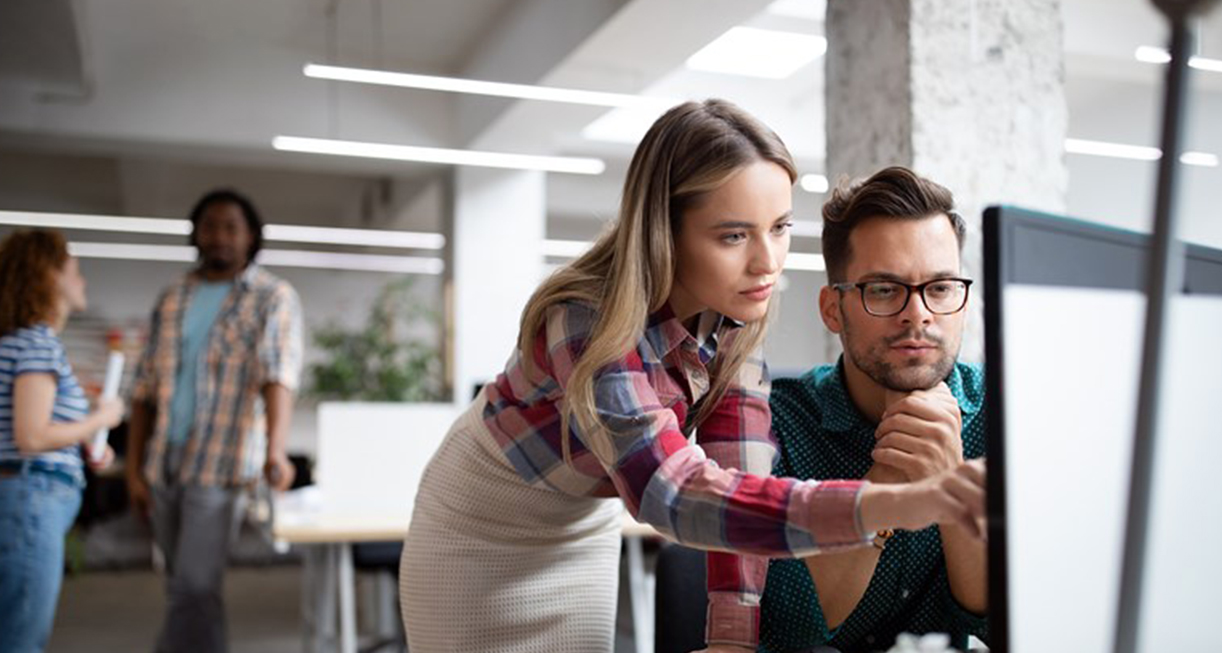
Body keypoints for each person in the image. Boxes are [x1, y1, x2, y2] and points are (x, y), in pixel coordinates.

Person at [398, 100, 987, 653]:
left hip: (581, 522)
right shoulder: (587, 320)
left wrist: (732, 638)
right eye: (734, 235)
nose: (767, 262)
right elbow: (674, 494)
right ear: (666, 230)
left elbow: (738, 478)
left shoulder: (733, 316)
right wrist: (893, 501)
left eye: (779, 228)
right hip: (483, 528)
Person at [754, 167, 988, 653]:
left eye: (941, 288)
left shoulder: (1006, 415)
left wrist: (948, 483)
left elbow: (1014, 627)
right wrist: (884, 488)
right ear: (832, 309)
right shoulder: (776, 424)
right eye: (884, 289)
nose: (918, 314)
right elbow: (789, 633)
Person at [125, 189, 303, 653]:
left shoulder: (271, 296)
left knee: (195, 587)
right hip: (164, 460)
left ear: (250, 237)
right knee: (182, 589)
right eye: (210, 226)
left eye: (230, 227)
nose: (219, 236)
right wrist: (133, 468)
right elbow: (142, 389)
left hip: (220, 463)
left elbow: (277, 375)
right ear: (196, 234)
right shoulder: (173, 298)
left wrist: (276, 450)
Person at [0, 229, 121, 653]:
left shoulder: (14, 343)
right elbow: (31, 436)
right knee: (19, 638)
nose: (82, 281)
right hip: (29, 498)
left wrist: (85, 443)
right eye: (75, 271)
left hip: (20, 494)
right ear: (49, 276)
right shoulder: (38, 344)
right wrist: (101, 419)